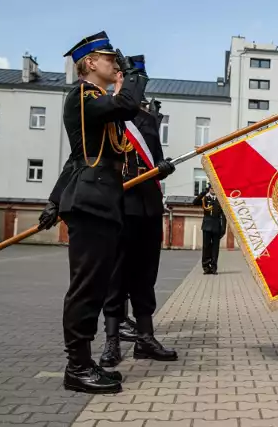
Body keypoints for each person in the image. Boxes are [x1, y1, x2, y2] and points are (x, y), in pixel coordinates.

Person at [37, 31, 148, 394]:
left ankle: (82, 364)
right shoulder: (83, 96)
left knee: (97, 286)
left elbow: (78, 157)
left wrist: (54, 199)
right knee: (86, 288)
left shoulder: (99, 100)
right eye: (108, 57)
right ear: (89, 63)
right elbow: (127, 105)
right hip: (91, 204)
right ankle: (78, 367)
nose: (115, 62)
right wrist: (135, 75)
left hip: (100, 203)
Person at [99, 55, 178, 367]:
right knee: (115, 276)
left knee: (145, 276)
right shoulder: (104, 112)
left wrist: (162, 169)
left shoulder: (145, 119)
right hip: (118, 207)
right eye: (128, 78)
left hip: (147, 208)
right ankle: (112, 341)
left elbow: (153, 159)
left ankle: (145, 338)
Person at [193, 183, 226, 274]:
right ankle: (206, 267)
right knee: (206, 247)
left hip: (216, 226)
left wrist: (223, 228)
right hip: (207, 226)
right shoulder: (205, 199)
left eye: (215, 188)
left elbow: (223, 215)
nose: (213, 190)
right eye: (211, 188)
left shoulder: (220, 201)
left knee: (215, 248)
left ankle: (213, 267)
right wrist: (204, 192)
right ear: (209, 189)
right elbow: (194, 202)